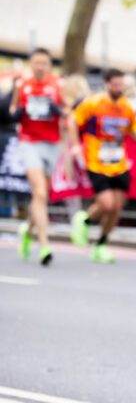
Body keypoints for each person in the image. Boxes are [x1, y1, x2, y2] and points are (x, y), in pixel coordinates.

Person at [69, 69, 136, 262]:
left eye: (121, 85)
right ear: (107, 84)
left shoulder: (126, 105)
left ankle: (101, 244)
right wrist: (75, 146)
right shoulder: (94, 102)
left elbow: (134, 128)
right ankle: (83, 220)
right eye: (115, 85)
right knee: (107, 205)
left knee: (116, 208)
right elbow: (73, 121)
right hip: (97, 161)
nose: (119, 88)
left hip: (119, 162)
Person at [11, 48, 62, 266]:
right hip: (29, 142)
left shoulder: (57, 86)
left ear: (49, 65)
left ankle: (27, 231)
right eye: (37, 62)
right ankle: (44, 245)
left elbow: (68, 112)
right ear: (31, 64)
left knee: (41, 197)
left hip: (51, 143)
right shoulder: (23, 85)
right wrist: (17, 112)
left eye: (44, 62)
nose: (40, 66)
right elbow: (12, 109)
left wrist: (58, 109)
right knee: (39, 191)